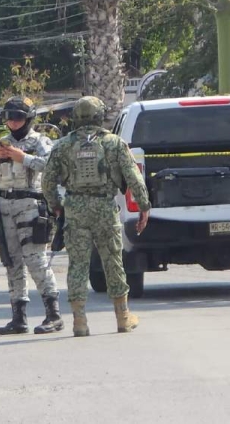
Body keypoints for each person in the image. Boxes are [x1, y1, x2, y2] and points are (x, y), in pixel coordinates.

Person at [42, 96, 151, 337]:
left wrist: (56, 206)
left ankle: (79, 322)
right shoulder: (114, 143)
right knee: (113, 262)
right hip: (105, 208)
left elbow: (47, 182)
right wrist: (144, 206)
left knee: (78, 265)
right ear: (100, 116)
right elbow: (134, 178)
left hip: (75, 209)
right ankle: (123, 318)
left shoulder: (62, 146)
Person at [0, 96, 63, 335]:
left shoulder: (40, 141)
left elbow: (52, 165)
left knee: (35, 260)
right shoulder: (1, 144)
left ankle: (53, 315)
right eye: (9, 118)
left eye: (18, 117)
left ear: (28, 119)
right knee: (12, 261)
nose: (13, 122)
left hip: (30, 204)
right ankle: (18, 317)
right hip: (4, 206)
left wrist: (24, 158)